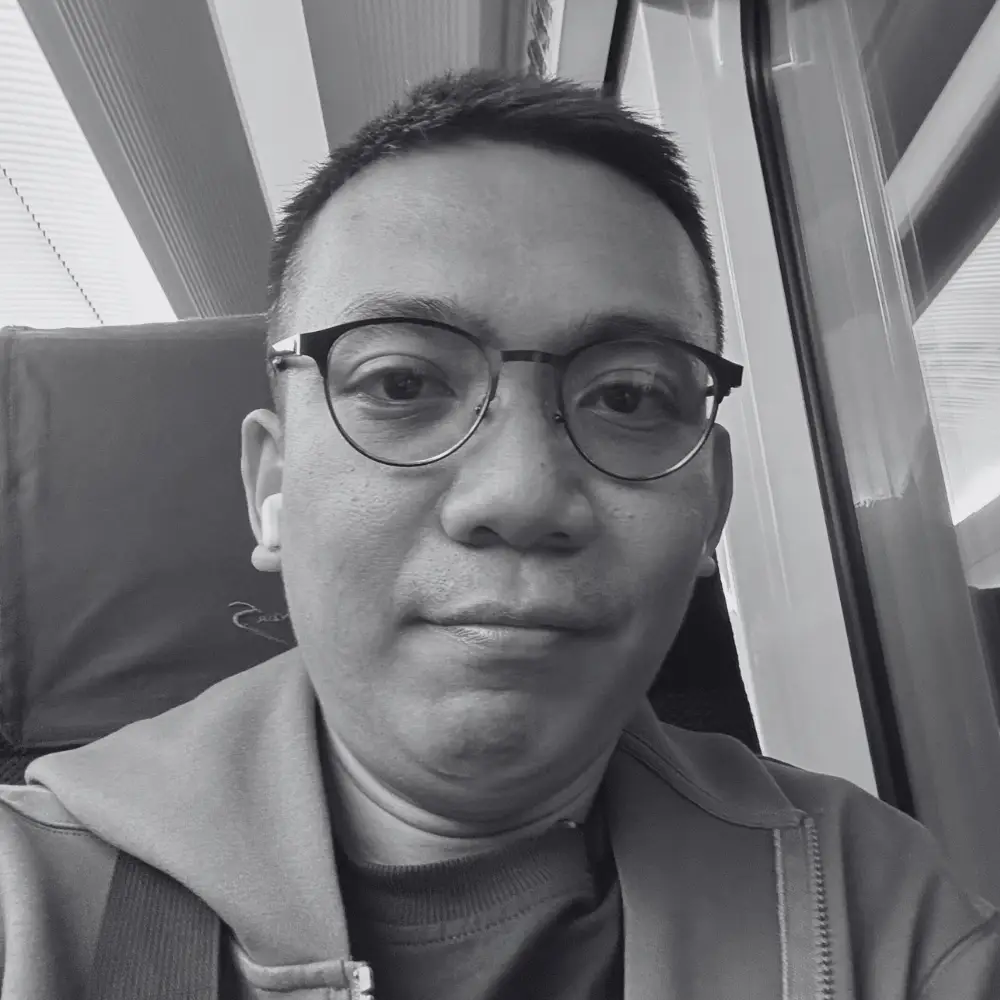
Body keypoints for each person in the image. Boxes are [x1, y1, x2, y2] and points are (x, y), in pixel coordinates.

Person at [0, 71, 997, 1000]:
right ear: (272, 490)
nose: (521, 494)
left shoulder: (879, 910)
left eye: (626, 395)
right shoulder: (25, 895)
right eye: (401, 383)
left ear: (711, 510)